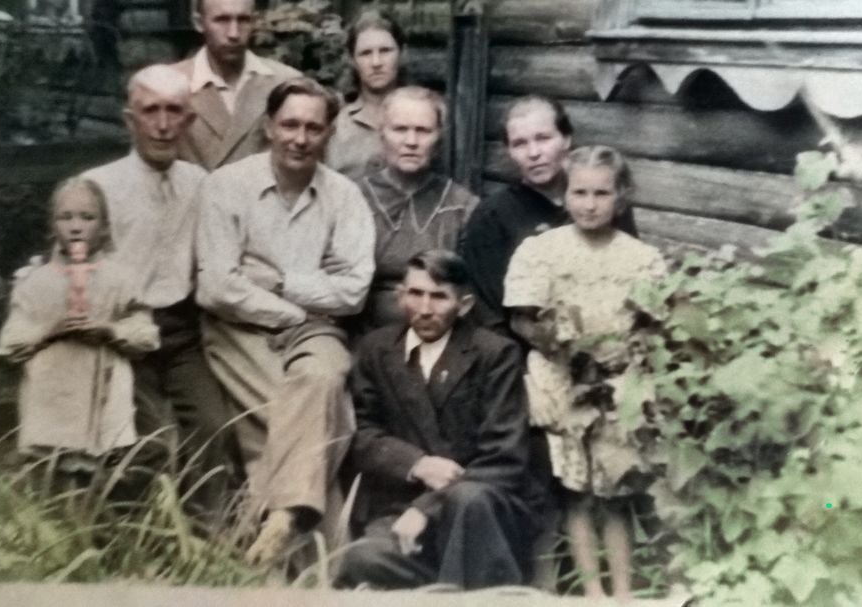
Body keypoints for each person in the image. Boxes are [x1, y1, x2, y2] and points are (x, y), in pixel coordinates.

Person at [195, 77, 376, 565]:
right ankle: (322, 562)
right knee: (313, 417)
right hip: (237, 329)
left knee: (324, 376)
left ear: (329, 134)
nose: (300, 138)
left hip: (316, 331)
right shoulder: (226, 187)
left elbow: (353, 291)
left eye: (313, 128)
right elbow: (217, 288)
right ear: (269, 127)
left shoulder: (344, 197)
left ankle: (271, 527)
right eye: (290, 125)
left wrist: (278, 281)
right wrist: (299, 304)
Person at [504, 146, 666, 600]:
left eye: (601, 193)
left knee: (614, 493)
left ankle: (623, 592)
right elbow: (520, 319)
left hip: (617, 383)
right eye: (580, 193)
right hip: (562, 382)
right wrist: (555, 341)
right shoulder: (542, 251)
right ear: (564, 193)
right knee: (576, 493)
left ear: (621, 196)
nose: (589, 204)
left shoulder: (640, 257)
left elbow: (653, 325)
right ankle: (592, 592)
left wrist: (632, 361)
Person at [338, 250, 539, 590]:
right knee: (362, 558)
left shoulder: (495, 353)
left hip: (483, 506)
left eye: (439, 297)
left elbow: (505, 457)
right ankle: (458, 584)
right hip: (402, 508)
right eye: (415, 294)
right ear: (400, 295)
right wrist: (416, 464)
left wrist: (427, 508)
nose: (425, 309)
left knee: (468, 501)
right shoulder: (376, 349)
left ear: (465, 305)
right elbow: (363, 434)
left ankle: (469, 586)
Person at [82, 64, 229, 523]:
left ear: (189, 120)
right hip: (122, 332)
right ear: (131, 120)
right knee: (149, 442)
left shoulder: (199, 184)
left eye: (173, 111)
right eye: (150, 111)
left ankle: (203, 537)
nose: (163, 125)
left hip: (182, 331)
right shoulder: (99, 187)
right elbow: (71, 265)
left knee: (213, 427)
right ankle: (131, 539)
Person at [0, 177, 159, 480]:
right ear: (52, 224)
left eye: (87, 218)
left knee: (106, 478)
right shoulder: (35, 282)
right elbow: (12, 342)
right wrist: (50, 331)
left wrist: (110, 331)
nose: (76, 227)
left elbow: (146, 334)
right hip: (52, 394)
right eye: (66, 217)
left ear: (104, 226)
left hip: (105, 394)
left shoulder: (121, 279)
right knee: (51, 479)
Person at [459, 96, 637, 333]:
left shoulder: (604, 205)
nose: (533, 153)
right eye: (520, 143)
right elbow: (489, 315)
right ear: (509, 151)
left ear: (566, 139)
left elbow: (632, 279)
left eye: (543, 138)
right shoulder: (492, 216)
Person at [356, 86, 478, 330]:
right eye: (400, 129)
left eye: (423, 131)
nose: (411, 141)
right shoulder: (354, 198)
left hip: (438, 329)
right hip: (364, 331)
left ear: (439, 139)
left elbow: (468, 290)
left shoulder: (462, 205)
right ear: (382, 134)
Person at [172, 0, 300, 170]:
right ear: (199, 23)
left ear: (255, 21)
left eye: (243, 20)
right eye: (222, 20)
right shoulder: (170, 85)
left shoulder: (286, 84)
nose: (233, 33)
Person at [326, 9, 406, 180]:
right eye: (366, 53)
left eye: (385, 51)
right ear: (352, 60)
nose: (376, 62)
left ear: (401, 53)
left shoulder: (423, 119)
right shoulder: (336, 126)